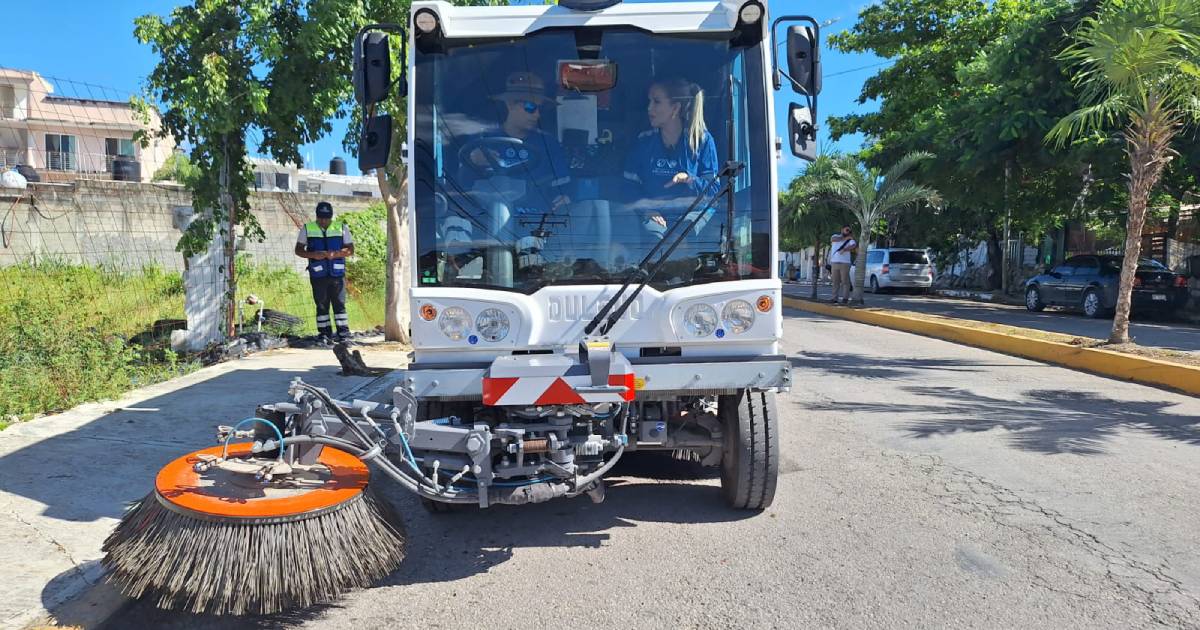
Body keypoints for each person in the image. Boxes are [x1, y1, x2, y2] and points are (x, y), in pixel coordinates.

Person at [459, 71, 571, 215]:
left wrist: (566, 197)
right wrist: (472, 162)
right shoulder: (481, 140)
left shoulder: (549, 144)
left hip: (537, 223)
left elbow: (564, 187)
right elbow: (461, 186)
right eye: (531, 107)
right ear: (510, 104)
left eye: (540, 109)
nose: (537, 114)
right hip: (484, 220)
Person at [623, 77, 719, 239]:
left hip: (692, 215)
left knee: (683, 237)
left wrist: (689, 179)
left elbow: (715, 191)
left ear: (675, 108)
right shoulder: (643, 141)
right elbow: (627, 186)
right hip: (655, 214)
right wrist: (646, 208)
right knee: (654, 238)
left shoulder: (702, 140)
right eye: (649, 101)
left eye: (656, 102)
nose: (649, 108)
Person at [294, 201, 354, 344]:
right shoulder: (307, 229)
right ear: (316, 216)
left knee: (339, 304)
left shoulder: (341, 227)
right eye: (321, 217)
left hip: (337, 274)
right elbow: (298, 250)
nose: (323, 221)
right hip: (318, 274)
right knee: (321, 305)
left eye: (326, 218)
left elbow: (350, 250)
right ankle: (324, 334)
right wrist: (314, 255)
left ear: (331, 217)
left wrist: (337, 253)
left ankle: (343, 334)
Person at [829, 225, 856, 304]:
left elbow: (853, 245)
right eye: (847, 230)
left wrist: (845, 249)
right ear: (842, 230)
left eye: (849, 231)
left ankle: (845, 298)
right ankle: (834, 298)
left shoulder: (850, 239)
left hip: (845, 263)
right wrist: (845, 238)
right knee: (835, 281)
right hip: (834, 262)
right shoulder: (835, 236)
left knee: (845, 281)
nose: (848, 232)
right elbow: (833, 239)